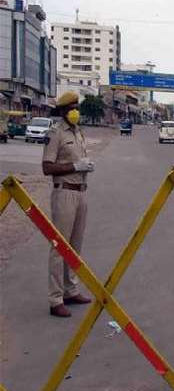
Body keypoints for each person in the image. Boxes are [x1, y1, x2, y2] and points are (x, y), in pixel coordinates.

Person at [42, 91, 94, 317]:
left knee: (75, 246)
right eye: (71, 107)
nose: (75, 111)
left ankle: (70, 290)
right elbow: (47, 167)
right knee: (59, 246)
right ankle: (55, 299)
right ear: (63, 111)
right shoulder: (56, 133)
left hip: (81, 192)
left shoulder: (78, 132)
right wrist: (75, 167)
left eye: (77, 107)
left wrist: (85, 166)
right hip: (64, 193)